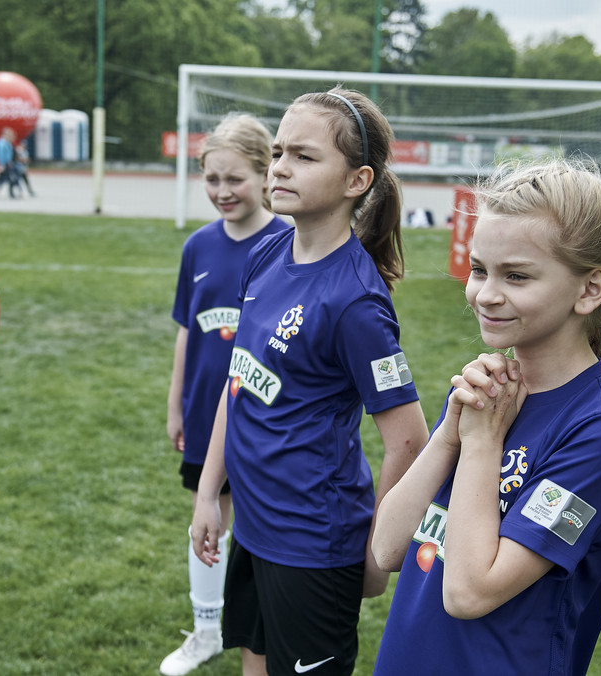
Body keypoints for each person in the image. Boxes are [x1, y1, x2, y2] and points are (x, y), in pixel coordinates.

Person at [371, 158, 601, 676]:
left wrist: (479, 446)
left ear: (590, 289)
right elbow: (387, 547)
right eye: (479, 269)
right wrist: (451, 435)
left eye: (516, 276)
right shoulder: (491, 393)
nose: (485, 294)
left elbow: (470, 593)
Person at [189, 88, 430, 676]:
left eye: (303, 155)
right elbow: (237, 382)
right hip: (254, 526)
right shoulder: (268, 252)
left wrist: (378, 551)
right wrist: (207, 493)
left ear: (356, 181)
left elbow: (409, 440)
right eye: (277, 152)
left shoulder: (355, 302)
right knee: (253, 663)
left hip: (314, 545)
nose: (280, 167)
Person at [161, 113, 292, 676]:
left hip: (268, 419)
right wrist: (175, 404)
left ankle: (271, 633)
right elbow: (186, 334)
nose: (221, 192)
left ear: (266, 175)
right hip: (203, 416)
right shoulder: (198, 246)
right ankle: (208, 628)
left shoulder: (288, 242)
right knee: (207, 516)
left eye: (234, 179)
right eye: (211, 179)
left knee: (264, 528)